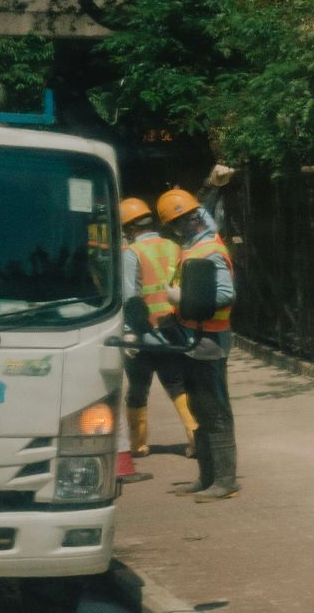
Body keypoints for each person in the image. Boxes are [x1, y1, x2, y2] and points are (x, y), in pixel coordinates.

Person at [156, 187, 240, 502]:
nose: (180, 228)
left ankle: (225, 481)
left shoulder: (211, 250)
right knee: (198, 408)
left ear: (192, 220)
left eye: (182, 221)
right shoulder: (195, 243)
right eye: (176, 224)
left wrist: (185, 298)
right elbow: (204, 204)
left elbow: (226, 294)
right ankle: (207, 477)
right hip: (193, 338)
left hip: (210, 340)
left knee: (214, 410)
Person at [119, 197, 199, 459]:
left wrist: (129, 332)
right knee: (177, 386)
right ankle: (194, 437)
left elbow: (130, 298)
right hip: (173, 331)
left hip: (141, 336)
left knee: (138, 389)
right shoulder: (174, 247)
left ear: (129, 229)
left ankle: (138, 446)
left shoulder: (132, 253)